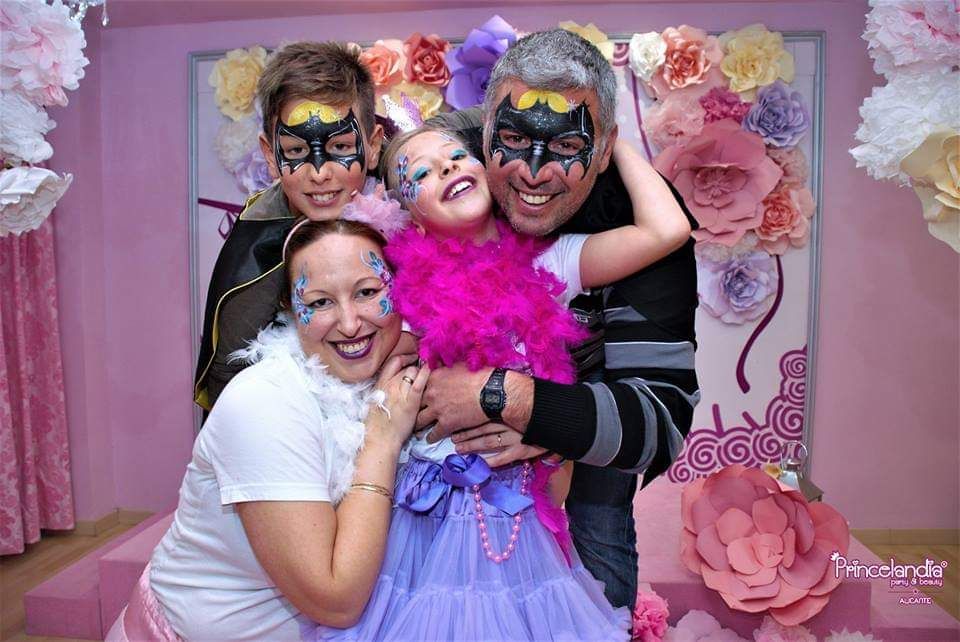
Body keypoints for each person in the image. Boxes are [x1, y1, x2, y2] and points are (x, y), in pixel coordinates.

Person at [303, 120, 687, 640]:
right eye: (421, 172)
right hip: (428, 514)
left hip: (517, 511)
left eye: (456, 156)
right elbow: (362, 357)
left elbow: (666, 230)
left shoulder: (551, 262)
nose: (446, 167)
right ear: (410, 217)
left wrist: (604, 138)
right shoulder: (399, 286)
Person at [421, 28, 702, 610]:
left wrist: (513, 401)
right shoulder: (450, 167)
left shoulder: (638, 217)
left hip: (589, 427)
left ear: (603, 149)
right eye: (514, 138)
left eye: (569, 146)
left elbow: (659, 422)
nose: (534, 172)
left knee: (598, 583)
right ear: (485, 130)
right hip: (444, 449)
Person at [106, 219, 427, 641]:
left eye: (367, 292)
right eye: (320, 302)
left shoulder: (388, 376)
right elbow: (336, 601)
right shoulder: (264, 402)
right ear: (290, 311)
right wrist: (381, 441)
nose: (350, 323)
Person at [194, 40, 385, 412]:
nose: (319, 173)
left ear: (374, 146)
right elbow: (226, 384)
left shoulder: (404, 193)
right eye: (296, 152)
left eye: (341, 148)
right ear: (270, 155)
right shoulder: (255, 252)